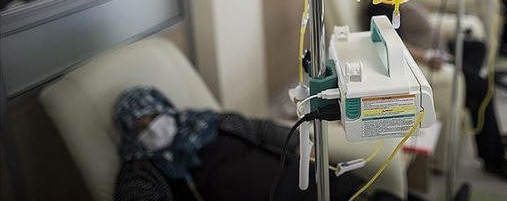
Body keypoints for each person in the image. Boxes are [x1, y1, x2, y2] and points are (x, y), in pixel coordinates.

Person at [361, 0, 507, 185]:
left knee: (476, 47)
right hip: (431, 58)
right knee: (482, 87)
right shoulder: (380, 7)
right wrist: (426, 56)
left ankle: (480, 116)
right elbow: (389, 44)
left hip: (440, 48)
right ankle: (494, 158)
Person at [113, 86, 391, 201]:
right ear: (130, 136)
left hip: (291, 176)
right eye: (140, 128)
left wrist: (299, 145)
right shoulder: (141, 170)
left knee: (360, 194)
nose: (152, 129)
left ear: (165, 109)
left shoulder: (208, 122)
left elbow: (261, 129)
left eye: (153, 117)